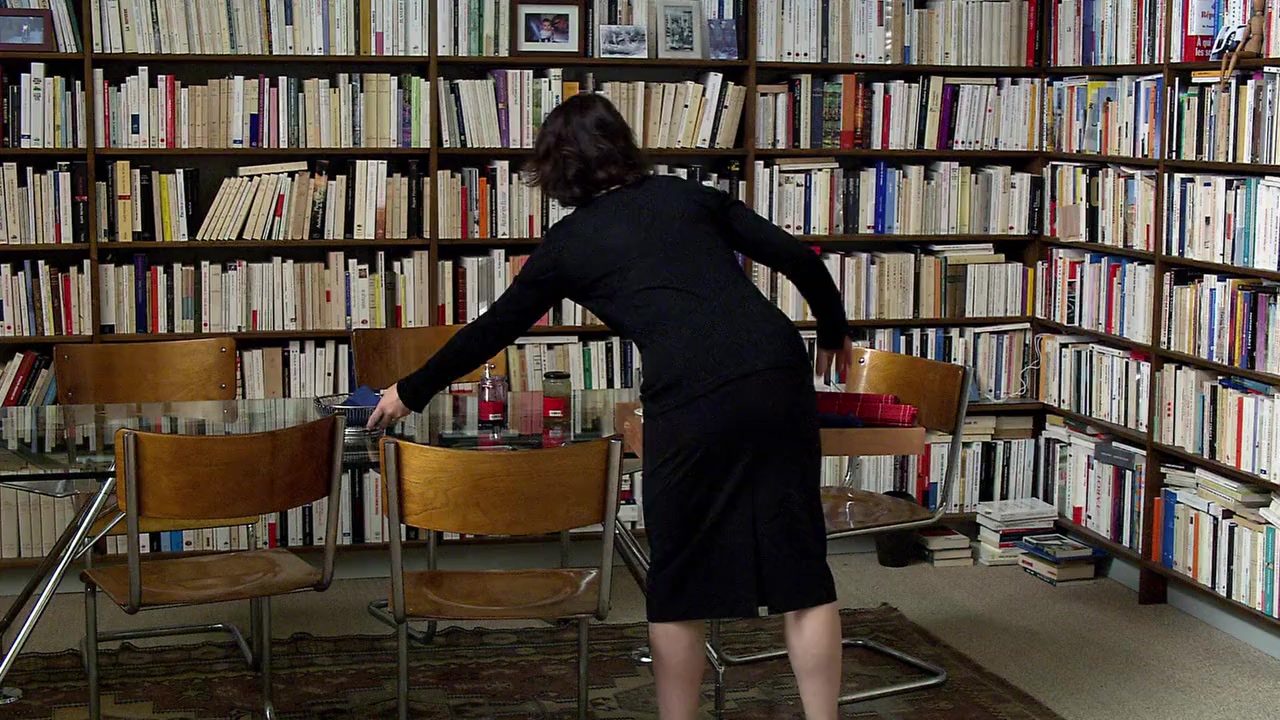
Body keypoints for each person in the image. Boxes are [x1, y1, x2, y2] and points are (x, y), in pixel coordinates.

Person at [368, 93, 853, 720]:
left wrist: (409, 391)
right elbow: (793, 256)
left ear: (556, 169)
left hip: (692, 393)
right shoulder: (687, 196)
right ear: (621, 144)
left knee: (679, 578)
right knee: (799, 564)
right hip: (777, 371)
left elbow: (491, 331)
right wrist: (833, 329)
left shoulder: (568, 245)